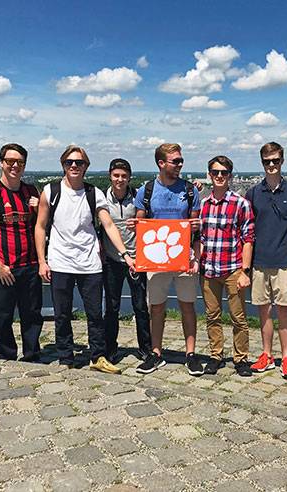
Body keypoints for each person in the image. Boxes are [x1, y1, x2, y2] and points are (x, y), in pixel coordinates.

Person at [35, 146, 131, 374]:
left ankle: (98, 356)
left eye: (79, 162)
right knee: (62, 314)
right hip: (60, 262)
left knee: (95, 314)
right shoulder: (50, 191)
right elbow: (40, 226)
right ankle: (65, 357)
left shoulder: (94, 193)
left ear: (86, 166)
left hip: (90, 264)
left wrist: (125, 254)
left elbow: (108, 225)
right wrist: (42, 260)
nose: (74, 166)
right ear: (63, 165)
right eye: (70, 162)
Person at [131, 143, 203, 376]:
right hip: (157, 259)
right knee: (157, 308)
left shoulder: (191, 190)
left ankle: (190, 355)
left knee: (187, 307)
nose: (180, 165)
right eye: (176, 161)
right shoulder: (147, 191)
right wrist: (134, 226)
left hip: (184, 258)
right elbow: (141, 225)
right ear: (161, 163)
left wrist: (196, 258)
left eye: (181, 160)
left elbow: (196, 229)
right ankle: (156, 353)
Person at [0, 143, 43, 362]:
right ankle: (7, 357)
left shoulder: (31, 192)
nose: (15, 166)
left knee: (32, 316)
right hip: (4, 268)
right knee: (3, 318)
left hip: (30, 266)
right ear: (2, 163)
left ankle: (32, 355)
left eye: (20, 162)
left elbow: (43, 226)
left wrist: (40, 208)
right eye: (10, 161)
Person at [246, 142, 287, 379]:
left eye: (275, 160)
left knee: (283, 313)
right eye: (267, 161)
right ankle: (267, 355)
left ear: (282, 161)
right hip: (259, 262)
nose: (271, 165)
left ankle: (286, 357)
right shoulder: (252, 193)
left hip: (285, 261)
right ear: (262, 163)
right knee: (264, 313)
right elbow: (247, 229)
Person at [199, 156, 255, 377]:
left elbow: (248, 238)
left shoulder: (241, 203)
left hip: (233, 269)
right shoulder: (203, 204)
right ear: (209, 175)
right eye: (215, 172)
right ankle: (216, 355)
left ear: (230, 175)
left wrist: (245, 272)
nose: (219, 176)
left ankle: (241, 358)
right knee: (212, 316)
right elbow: (200, 238)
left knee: (238, 318)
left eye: (223, 172)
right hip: (209, 269)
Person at [101, 158, 151, 365]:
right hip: (112, 260)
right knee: (112, 307)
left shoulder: (139, 197)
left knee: (140, 306)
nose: (120, 179)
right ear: (110, 176)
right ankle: (110, 348)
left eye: (124, 176)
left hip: (137, 259)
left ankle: (145, 348)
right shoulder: (101, 198)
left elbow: (152, 221)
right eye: (116, 175)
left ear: (129, 177)